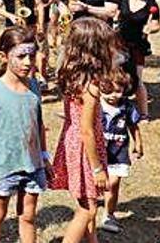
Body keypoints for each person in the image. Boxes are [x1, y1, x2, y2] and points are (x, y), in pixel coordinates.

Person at [0, 27, 50, 243]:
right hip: (3, 166)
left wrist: (44, 155)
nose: (27, 62)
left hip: (32, 165)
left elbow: (39, 123)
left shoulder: (34, 87)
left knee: (28, 216)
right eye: (21, 56)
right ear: (4, 56)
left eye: (31, 56)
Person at [50, 17, 118, 243]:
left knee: (87, 202)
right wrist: (97, 168)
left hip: (73, 141)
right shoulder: (91, 86)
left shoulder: (72, 76)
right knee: (87, 210)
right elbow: (87, 130)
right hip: (85, 148)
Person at [98, 71, 143, 234]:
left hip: (119, 151)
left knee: (113, 183)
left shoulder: (127, 107)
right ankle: (90, 209)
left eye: (117, 91)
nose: (112, 96)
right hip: (98, 153)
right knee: (96, 183)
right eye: (107, 91)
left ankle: (108, 214)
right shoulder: (95, 105)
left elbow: (133, 126)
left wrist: (138, 143)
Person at [116, 0, 159, 117]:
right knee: (117, 75)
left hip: (138, 45)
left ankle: (144, 113)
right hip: (119, 43)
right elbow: (114, 15)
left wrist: (151, 28)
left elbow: (156, 25)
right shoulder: (122, 0)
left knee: (138, 79)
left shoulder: (152, 6)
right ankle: (117, 106)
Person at [23, 0, 55, 82]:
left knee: (41, 47)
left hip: (41, 18)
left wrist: (40, 7)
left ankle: (42, 75)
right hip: (25, 19)